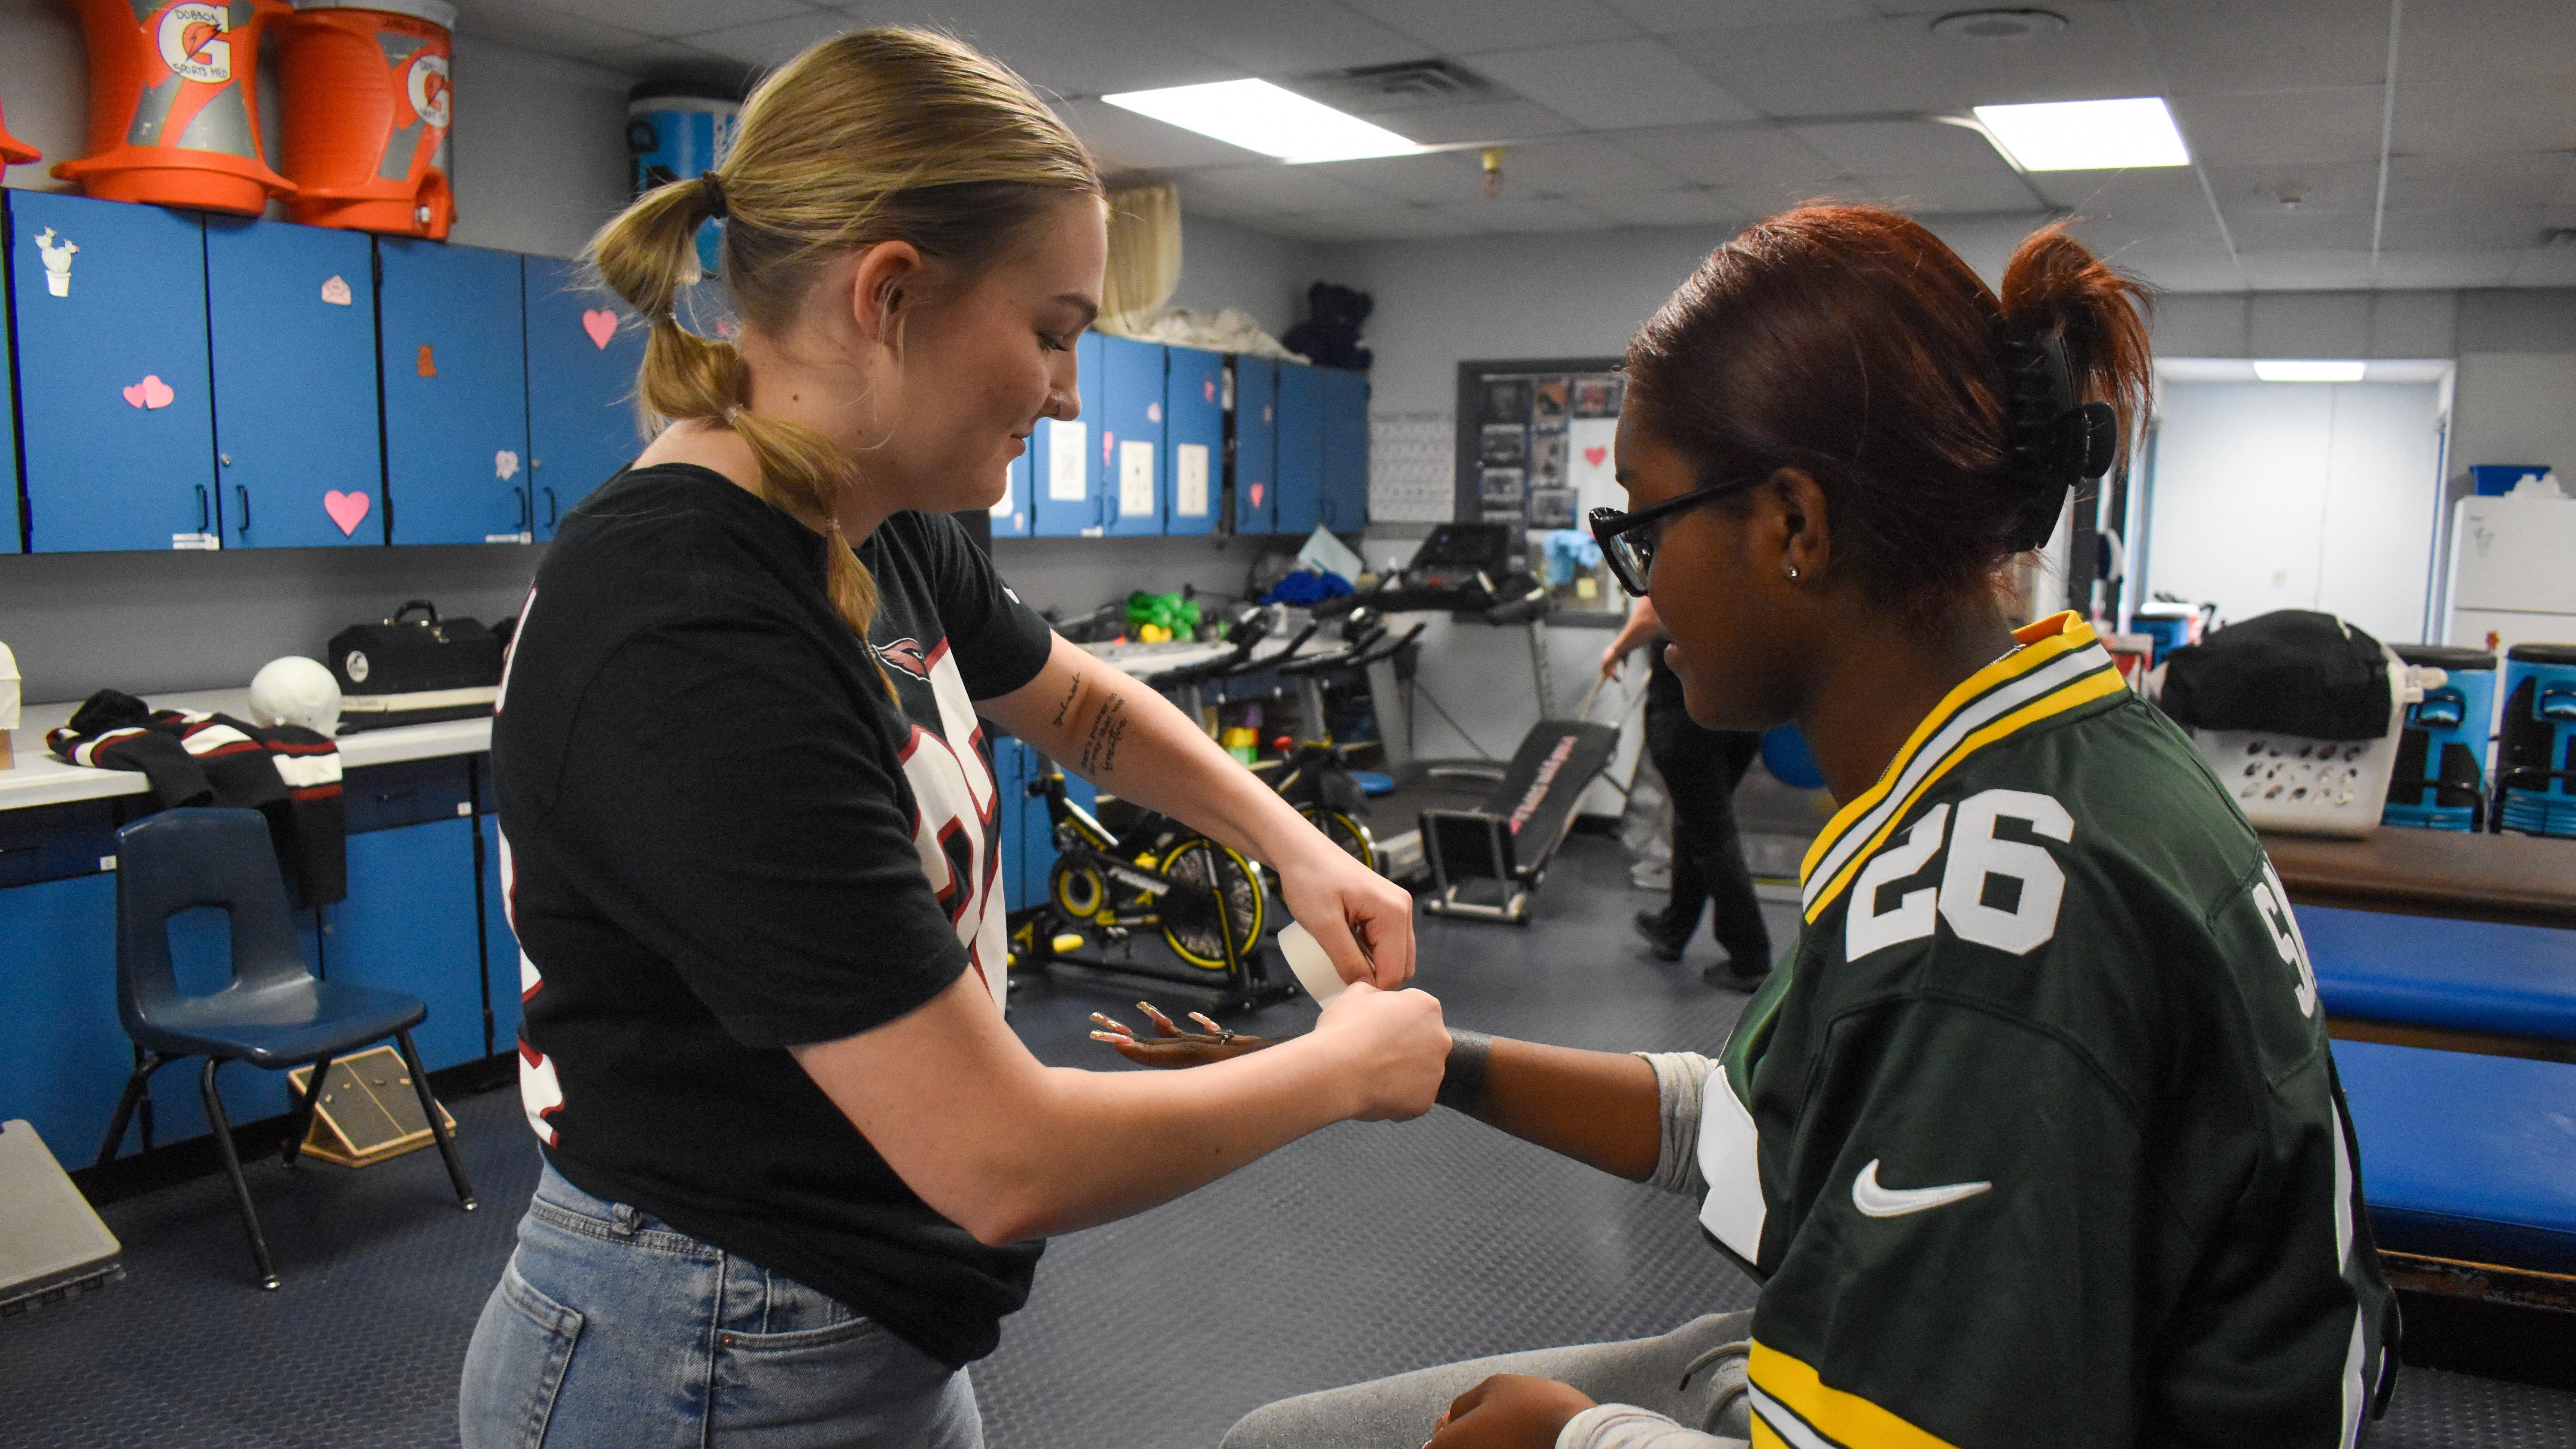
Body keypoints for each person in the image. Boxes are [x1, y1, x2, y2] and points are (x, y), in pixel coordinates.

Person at [1122, 206, 2400, 1449]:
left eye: (1644, 526)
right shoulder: (2048, 766)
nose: (1640, 588)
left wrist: (1575, 1440)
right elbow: (1745, 1122)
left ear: (1793, 524)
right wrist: (1407, 1059)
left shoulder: (1994, 917)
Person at [454, 30, 1449, 1449]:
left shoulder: (873, 519)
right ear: (891, 296)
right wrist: (1344, 1068)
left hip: (856, 1317)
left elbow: (1080, 706)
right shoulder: (690, 631)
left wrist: (1287, 842)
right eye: (1051, 332)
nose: (1067, 393)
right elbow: (1002, 1155)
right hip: (705, 1354)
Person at [1599, 595, 1771, 984]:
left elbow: (1652, 614)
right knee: (1695, 818)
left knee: (1711, 831)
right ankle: (1675, 928)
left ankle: (1751, 957)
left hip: (1688, 715)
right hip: (1745, 712)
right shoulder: (1748, 547)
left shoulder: (1678, 540)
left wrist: (1616, 648)